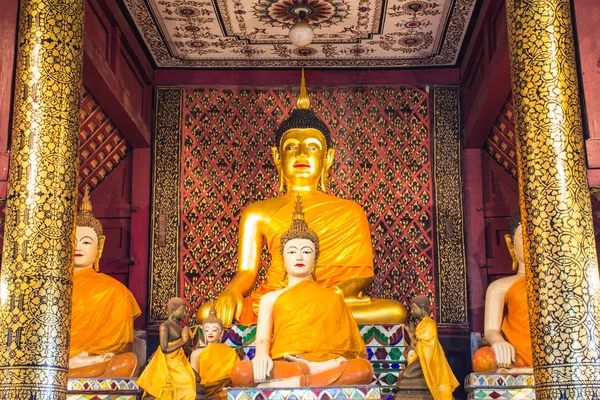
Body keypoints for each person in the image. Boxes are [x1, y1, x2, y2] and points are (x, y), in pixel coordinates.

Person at [201, 71, 406, 327]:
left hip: (331, 298)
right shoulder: (257, 213)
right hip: (277, 297)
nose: (300, 154)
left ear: (328, 157)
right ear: (277, 156)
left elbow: (362, 277)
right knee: (209, 313)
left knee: (395, 311)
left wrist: (328, 295)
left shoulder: (350, 211)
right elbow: (247, 272)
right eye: (290, 147)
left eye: (312, 147)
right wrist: (231, 291)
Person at [230, 195, 373, 387]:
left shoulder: (332, 297)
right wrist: (261, 355)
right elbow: (263, 337)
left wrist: (325, 364)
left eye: (306, 251)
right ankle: (305, 378)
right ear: (283, 258)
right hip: (289, 364)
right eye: (291, 251)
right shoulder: (270, 298)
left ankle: (301, 381)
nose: (299, 256)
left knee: (363, 369)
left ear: (315, 259)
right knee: (241, 372)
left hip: (327, 365)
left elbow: (345, 349)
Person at [68, 187, 141, 378]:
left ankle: (70, 366)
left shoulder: (115, 291)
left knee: (126, 363)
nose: (78, 247)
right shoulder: (51, 287)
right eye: (72, 241)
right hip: (51, 361)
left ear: (99, 245)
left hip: (88, 365)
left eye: (85, 242)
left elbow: (120, 345)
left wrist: (87, 355)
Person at [482, 211, 532, 371]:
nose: (533, 242)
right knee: (483, 359)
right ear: (511, 244)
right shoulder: (499, 287)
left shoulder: (562, 285)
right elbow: (491, 330)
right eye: (525, 237)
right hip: (516, 356)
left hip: (557, 356)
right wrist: (498, 341)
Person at [395, 296, 458, 400]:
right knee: (403, 375)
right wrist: (412, 336)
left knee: (406, 374)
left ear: (422, 308)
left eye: (414, 308)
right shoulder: (422, 324)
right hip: (422, 360)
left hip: (430, 362)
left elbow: (425, 351)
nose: (412, 312)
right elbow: (417, 346)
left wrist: (411, 336)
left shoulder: (430, 324)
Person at [137, 297, 197, 400]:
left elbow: (184, 349)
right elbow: (164, 349)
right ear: (173, 311)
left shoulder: (179, 326)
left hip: (179, 359)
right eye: (182, 311)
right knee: (188, 382)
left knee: (198, 378)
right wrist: (183, 341)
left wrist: (187, 339)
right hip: (168, 362)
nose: (185, 314)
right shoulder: (165, 326)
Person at [189, 303, 239, 399]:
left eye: (214, 330)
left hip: (224, 390)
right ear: (203, 333)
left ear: (221, 333)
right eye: (207, 330)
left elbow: (234, 378)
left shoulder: (230, 352)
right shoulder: (196, 354)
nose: (210, 333)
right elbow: (194, 381)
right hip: (204, 390)